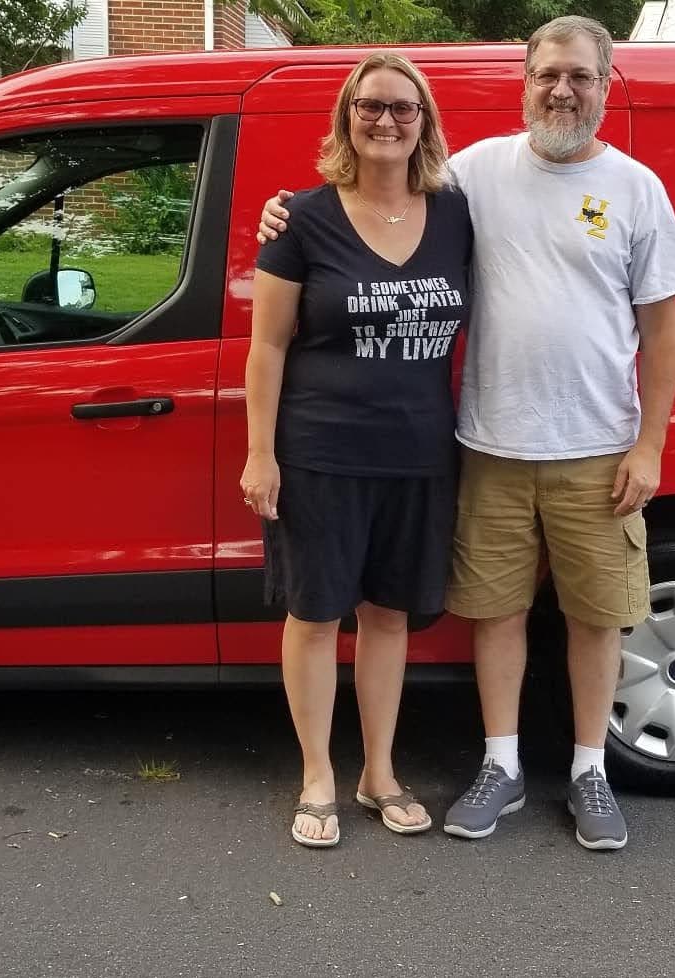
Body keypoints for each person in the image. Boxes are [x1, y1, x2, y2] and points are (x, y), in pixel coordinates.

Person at [258, 16, 675, 851]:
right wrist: (282, 212)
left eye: (579, 76)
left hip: (598, 444)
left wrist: (651, 446)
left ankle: (589, 771)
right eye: (546, 75)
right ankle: (501, 765)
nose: (561, 90)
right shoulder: (474, 174)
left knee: (595, 615)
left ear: (607, 85)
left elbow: (664, 323)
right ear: (523, 81)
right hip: (489, 442)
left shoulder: (638, 187)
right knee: (495, 613)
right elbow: (374, 192)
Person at [242, 52, 472, 847]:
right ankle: (317, 777)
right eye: (370, 106)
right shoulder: (302, 218)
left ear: (424, 123)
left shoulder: (456, 215)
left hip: (420, 454)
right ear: (346, 117)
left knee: (389, 616)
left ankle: (379, 772)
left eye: (403, 108)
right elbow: (266, 347)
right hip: (320, 453)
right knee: (314, 615)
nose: (386, 120)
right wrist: (259, 453)